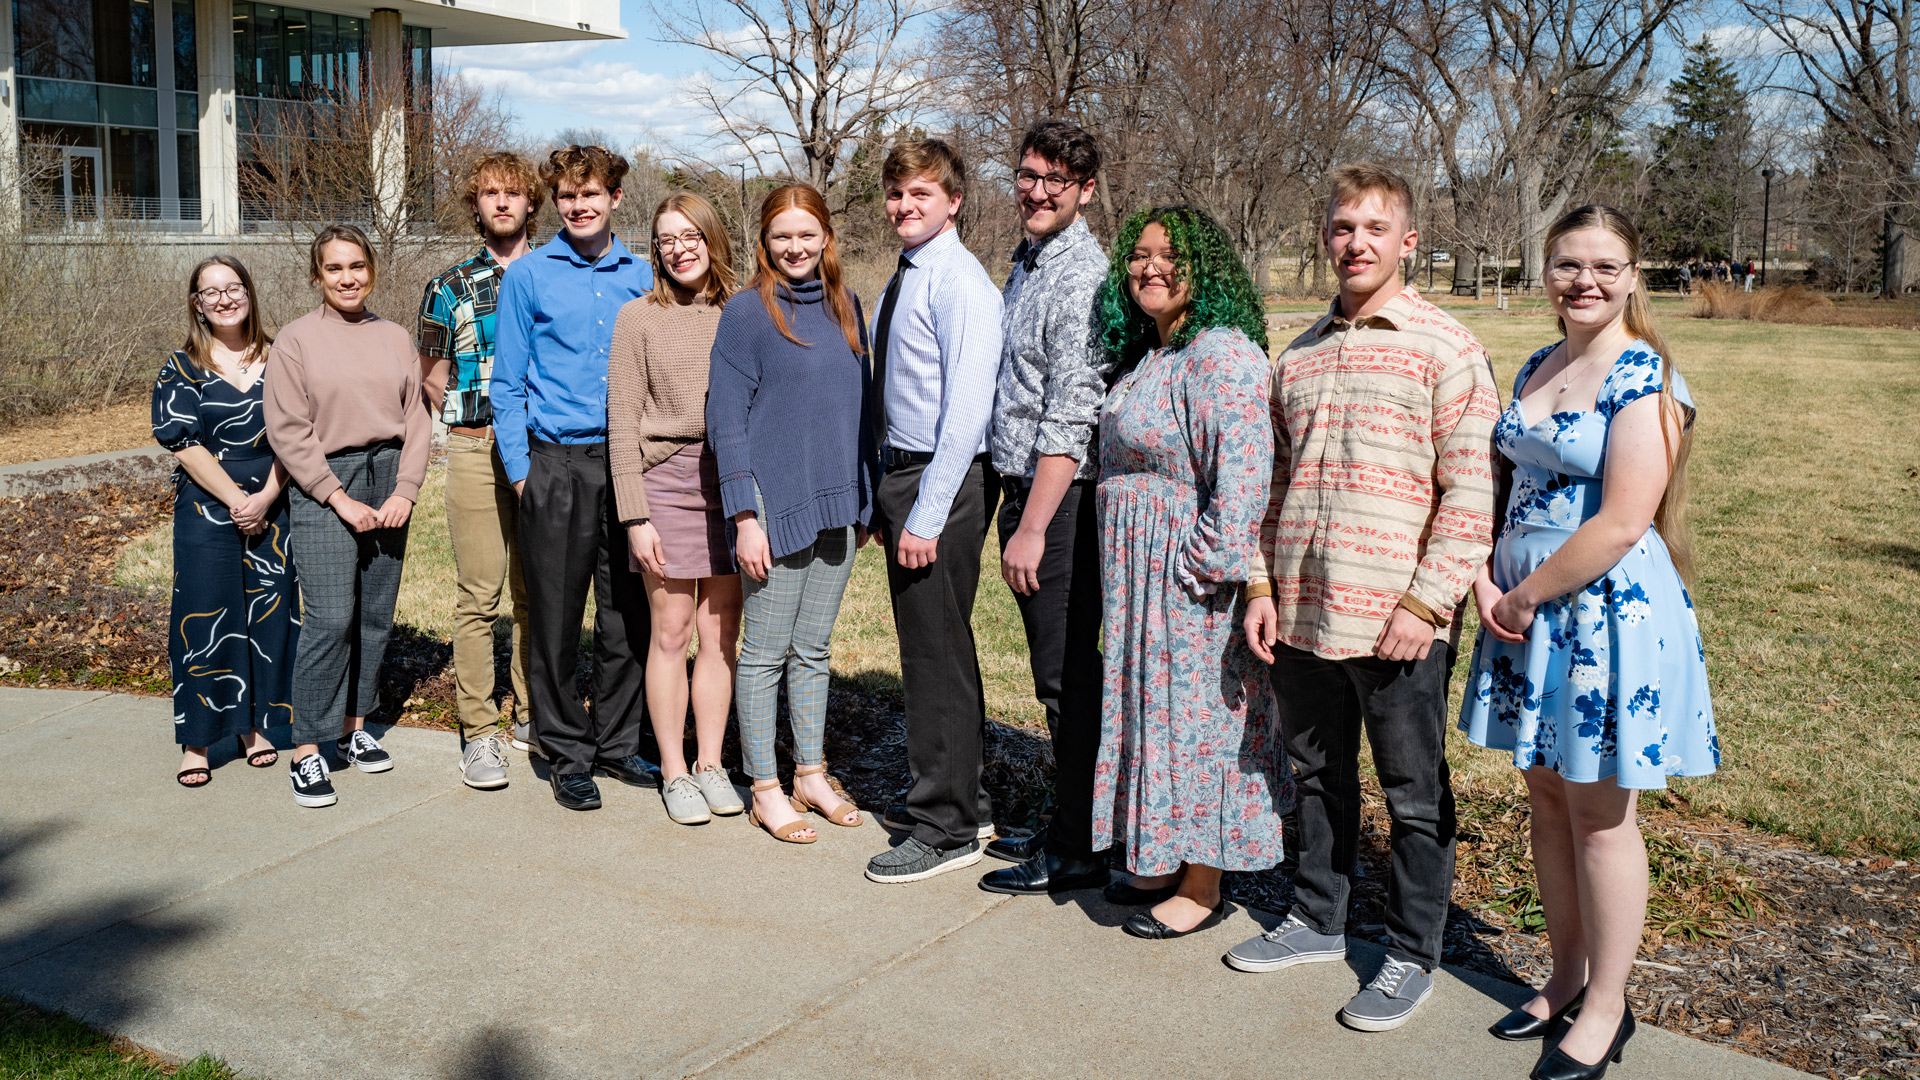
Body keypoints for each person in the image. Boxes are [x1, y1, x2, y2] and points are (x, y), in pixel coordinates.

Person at [1233, 163, 1499, 1032]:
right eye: (1343, 228)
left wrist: (1424, 607)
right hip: (1305, 609)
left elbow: (1469, 495)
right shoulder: (1299, 354)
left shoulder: (1446, 348)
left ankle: (1410, 952)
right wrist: (1263, 586)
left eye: (1374, 230)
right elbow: (1272, 482)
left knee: (1413, 795)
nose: (1355, 243)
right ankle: (1317, 917)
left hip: (1398, 623)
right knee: (1316, 775)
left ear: (1407, 243)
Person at [1461, 204, 1715, 1080]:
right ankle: (1565, 976)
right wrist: (1487, 582)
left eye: (1605, 267)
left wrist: (1526, 593)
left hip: (1600, 615)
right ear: (1547, 272)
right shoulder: (1539, 362)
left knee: (1602, 816)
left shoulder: (1643, 376)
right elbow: (1505, 486)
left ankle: (1608, 1006)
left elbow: (1621, 521)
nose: (1585, 282)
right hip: (1523, 612)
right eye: (1569, 265)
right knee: (1545, 800)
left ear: (1633, 277)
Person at [1087, 205, 1291, 939]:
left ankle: (1204, 883)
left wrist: (1200, 570)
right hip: (1139, 581)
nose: (1149, 267)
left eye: (1168, 255)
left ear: (1206, 269)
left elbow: (1243, 480)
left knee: (1199, 720)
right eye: (1138, 255)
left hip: (1188, 584)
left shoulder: (1222, 353)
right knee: (1155, 717)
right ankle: (1162, 852)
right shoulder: (1157, 354)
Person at [707, 183, 879, 844]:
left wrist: (865, 495)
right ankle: (765, 787)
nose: (796, 247)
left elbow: (860, 410)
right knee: (766, 653)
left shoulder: (847, 305)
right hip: (774, 513)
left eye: (808, 234)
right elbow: (727, 423)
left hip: (838, 509)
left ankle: (810, 773)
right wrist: (744, 515)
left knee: (813, 649)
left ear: (827, 238)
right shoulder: (748, 314)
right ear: (765, 241)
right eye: (783, 236)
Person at [491, 145, 660, 811]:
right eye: (566, 196)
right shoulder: (529, 276)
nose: (579, 205)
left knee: (626, 617)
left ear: (616, 198)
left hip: (627, 464)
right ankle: (565, 751)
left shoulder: (643, 276)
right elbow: (507, 385)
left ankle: (618, 744)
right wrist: (523, 475)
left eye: (591, 194)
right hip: (553, 465)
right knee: (557, 619)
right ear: (555, 202)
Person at [977, 120, 1114, 897]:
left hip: (1058, 501)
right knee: (1056, 673)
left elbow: (1071, 412)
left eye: (1053, 182)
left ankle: (1079, 849)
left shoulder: (1080, 276)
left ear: (1084, 190)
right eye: (1027, 175)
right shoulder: (1029, 261)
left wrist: (1032, 526)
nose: (1034, 191)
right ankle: (1077, 819)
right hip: (1024, 490)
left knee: (1066, 679)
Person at [864, 139, 1006, 884]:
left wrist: (925, 511)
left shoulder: (961, 284)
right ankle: (964, 800)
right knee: (934, 646)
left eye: (921, 193)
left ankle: (944, 826)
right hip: (905, 474)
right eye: (895, 194)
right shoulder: (908, 275)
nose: (904, 206)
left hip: (941, 481)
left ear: (953, 201)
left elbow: (966, 413)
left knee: (936, 653)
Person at [264, 224, 432, 808]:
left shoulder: (393, 337)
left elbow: (417, 419)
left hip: (389, 478)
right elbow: (288, 431)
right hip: (323, 485)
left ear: (372, 270)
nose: (347, 278)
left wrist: (405, 490)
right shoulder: (295, 340)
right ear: (317, 275)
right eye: (334, 268)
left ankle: (354, 729)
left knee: (375, 617)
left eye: (357, 266)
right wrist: (337, 497)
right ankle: (308, 749)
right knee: (331, 618)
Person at [607, 191, 746, 825]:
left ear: (712, 239)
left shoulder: (744, 310)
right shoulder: (637, 317)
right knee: (672, 633)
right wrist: (635, 516)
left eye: (690, 235)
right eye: (666, 238)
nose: (678, 248)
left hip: (733, 486)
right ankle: (674, 770)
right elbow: (622, 423)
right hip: (664, 483)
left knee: (721, 638)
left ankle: (712, 762)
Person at [418, 151, 544, 790]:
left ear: (531, 203)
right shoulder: (447, 285)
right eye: (489, 193)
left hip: (545, 452)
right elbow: (432, 377)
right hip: (474, 447)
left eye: (513, 193)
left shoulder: (555, 274)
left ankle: (530, 716)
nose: (501, 202)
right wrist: (470, 424)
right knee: (479, 595)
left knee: (535, 592)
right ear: (475, 204)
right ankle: (480, 731)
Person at [154, 256, 296, 788]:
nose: (223, 299)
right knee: (205, 617)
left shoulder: (283, 355)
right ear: (196, 302)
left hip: (275, 501)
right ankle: (197, 741)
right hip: (205, 506)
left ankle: (254, 727)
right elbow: (183, 442)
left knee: (268, 615)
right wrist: (239, 498)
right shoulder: (182, 365)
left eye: (232, 287)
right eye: (209, 292)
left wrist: (266, 497)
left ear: (249, 292)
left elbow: (301, 432)